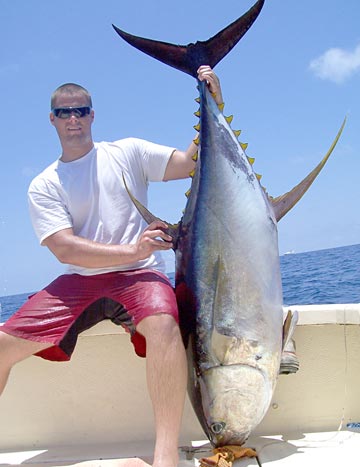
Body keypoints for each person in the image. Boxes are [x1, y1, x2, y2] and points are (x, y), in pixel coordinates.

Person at [0, 66, 223, 467]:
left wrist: (214, 100)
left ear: (93, 115)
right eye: (65, 113)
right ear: (52, 119)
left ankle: (165, 455)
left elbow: (189, 163)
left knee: (164, 325)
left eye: (81, 111)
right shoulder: (45, 183)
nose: (74, 120)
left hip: (140, 278)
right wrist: (133, 251)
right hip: (80, 280)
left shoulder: (129, 152)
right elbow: (65, 250)